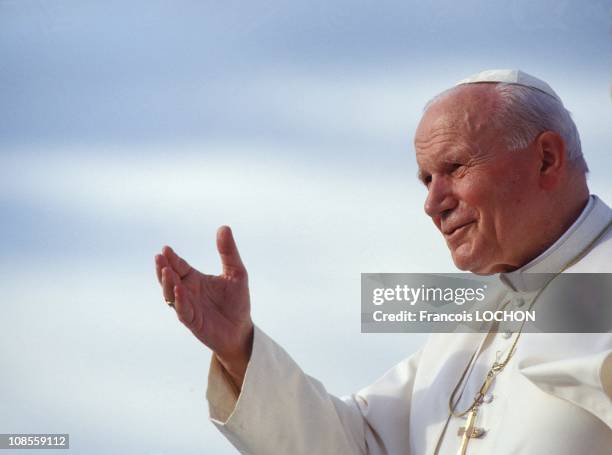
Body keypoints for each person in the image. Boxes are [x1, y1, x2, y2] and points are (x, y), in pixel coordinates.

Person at [154, 69, 612, 454]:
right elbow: (359, 445)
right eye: (426, 179)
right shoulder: (468, 327)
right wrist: (239, 348)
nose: (433, 204)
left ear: (547, 159)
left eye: (454, 168)